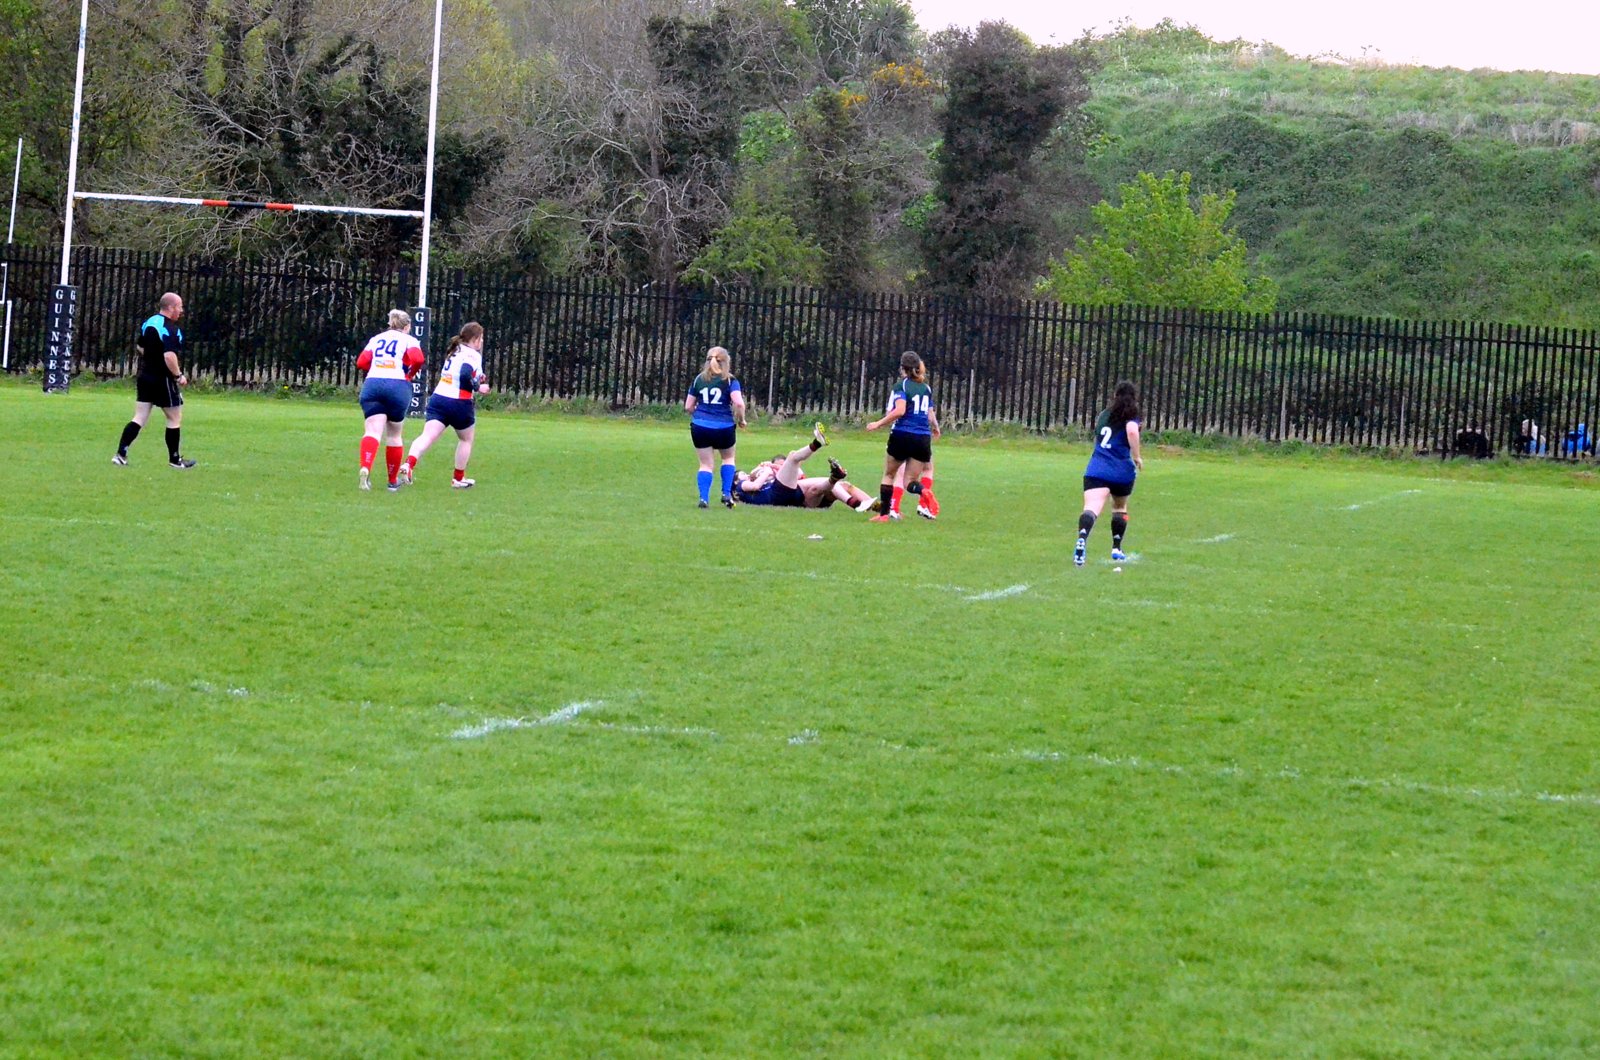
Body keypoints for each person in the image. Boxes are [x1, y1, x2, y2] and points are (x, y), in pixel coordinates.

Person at [401, 322, 490, 489]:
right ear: (475, 339)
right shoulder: (473, 355)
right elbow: (464, 374)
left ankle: (408, 464)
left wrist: (477, 378)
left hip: (439, 399)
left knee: (427, 436)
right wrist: (479, 387)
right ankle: (458, 478)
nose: (482, 341)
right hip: (459, 402)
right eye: (481, 337)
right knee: (466, 439)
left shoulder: (455, 350)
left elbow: (462, 373)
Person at [112, 292, 196, 469]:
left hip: (145, 376)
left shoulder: (149, 323)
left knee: (140, 417)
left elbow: (140, 347)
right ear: (171, 307)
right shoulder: (170, 328)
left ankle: (120, 454)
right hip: (162, 379)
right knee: (174, 418)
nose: (181, 310)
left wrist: (152, 358)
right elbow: (169, 356)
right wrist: (178, 376)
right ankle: (175, 460)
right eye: (179, 307)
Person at [1074, 380, 1144, 568]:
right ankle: (1116, 548)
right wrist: (1137, 456)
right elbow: (1131, 431)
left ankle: (1082, 538)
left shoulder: (1104, 414)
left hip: (1097, 468)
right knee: (1119, 508)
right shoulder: (1132, 415)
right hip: (1121, 470)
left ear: (1115, 396)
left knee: (1091, 507)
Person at [865, 351, 940, 522]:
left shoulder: (902, 386)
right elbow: (930, 414)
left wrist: (878, 424)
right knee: (909, 481)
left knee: (889, 475)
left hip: (902, 435)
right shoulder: (926, 388)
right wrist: (936, 428)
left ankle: (884, 515)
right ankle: (923, 491)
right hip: (922, 438)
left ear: (902, 368)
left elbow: (899, 410)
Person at [356, 309, 425, 491]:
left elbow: (361, 362)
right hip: (397, 385)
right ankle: (392, 481)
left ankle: (365, 467)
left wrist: (378, 368)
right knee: (394, 434)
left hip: (373, 384)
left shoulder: (376, 339)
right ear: (407, 326)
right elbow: (418, 359)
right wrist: (410, 374)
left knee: (372, 431)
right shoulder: (409, 340)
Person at [685, 346, 747, 508]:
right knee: (728, 458)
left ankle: (704, 499)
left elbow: (688, 406)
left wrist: (699, 414)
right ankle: (726, 494)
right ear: (726, 362)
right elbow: (739, 403)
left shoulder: (699, 379)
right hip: (724, 427)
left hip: (700, 426)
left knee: (705, 464)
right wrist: (741, 420)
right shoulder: (730, 380)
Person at [733, 423, 829, 507]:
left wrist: (763, 469)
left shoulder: (746, 489)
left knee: (824, 481)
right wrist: (767, 471)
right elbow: (755, 486)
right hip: (778, 493)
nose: (746, 475)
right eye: (742, 474)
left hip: (780, 494)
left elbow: (757, 482)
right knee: (792, 457)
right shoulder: (741, 485)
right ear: (736, 481)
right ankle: (817, 443)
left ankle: (818, 444)